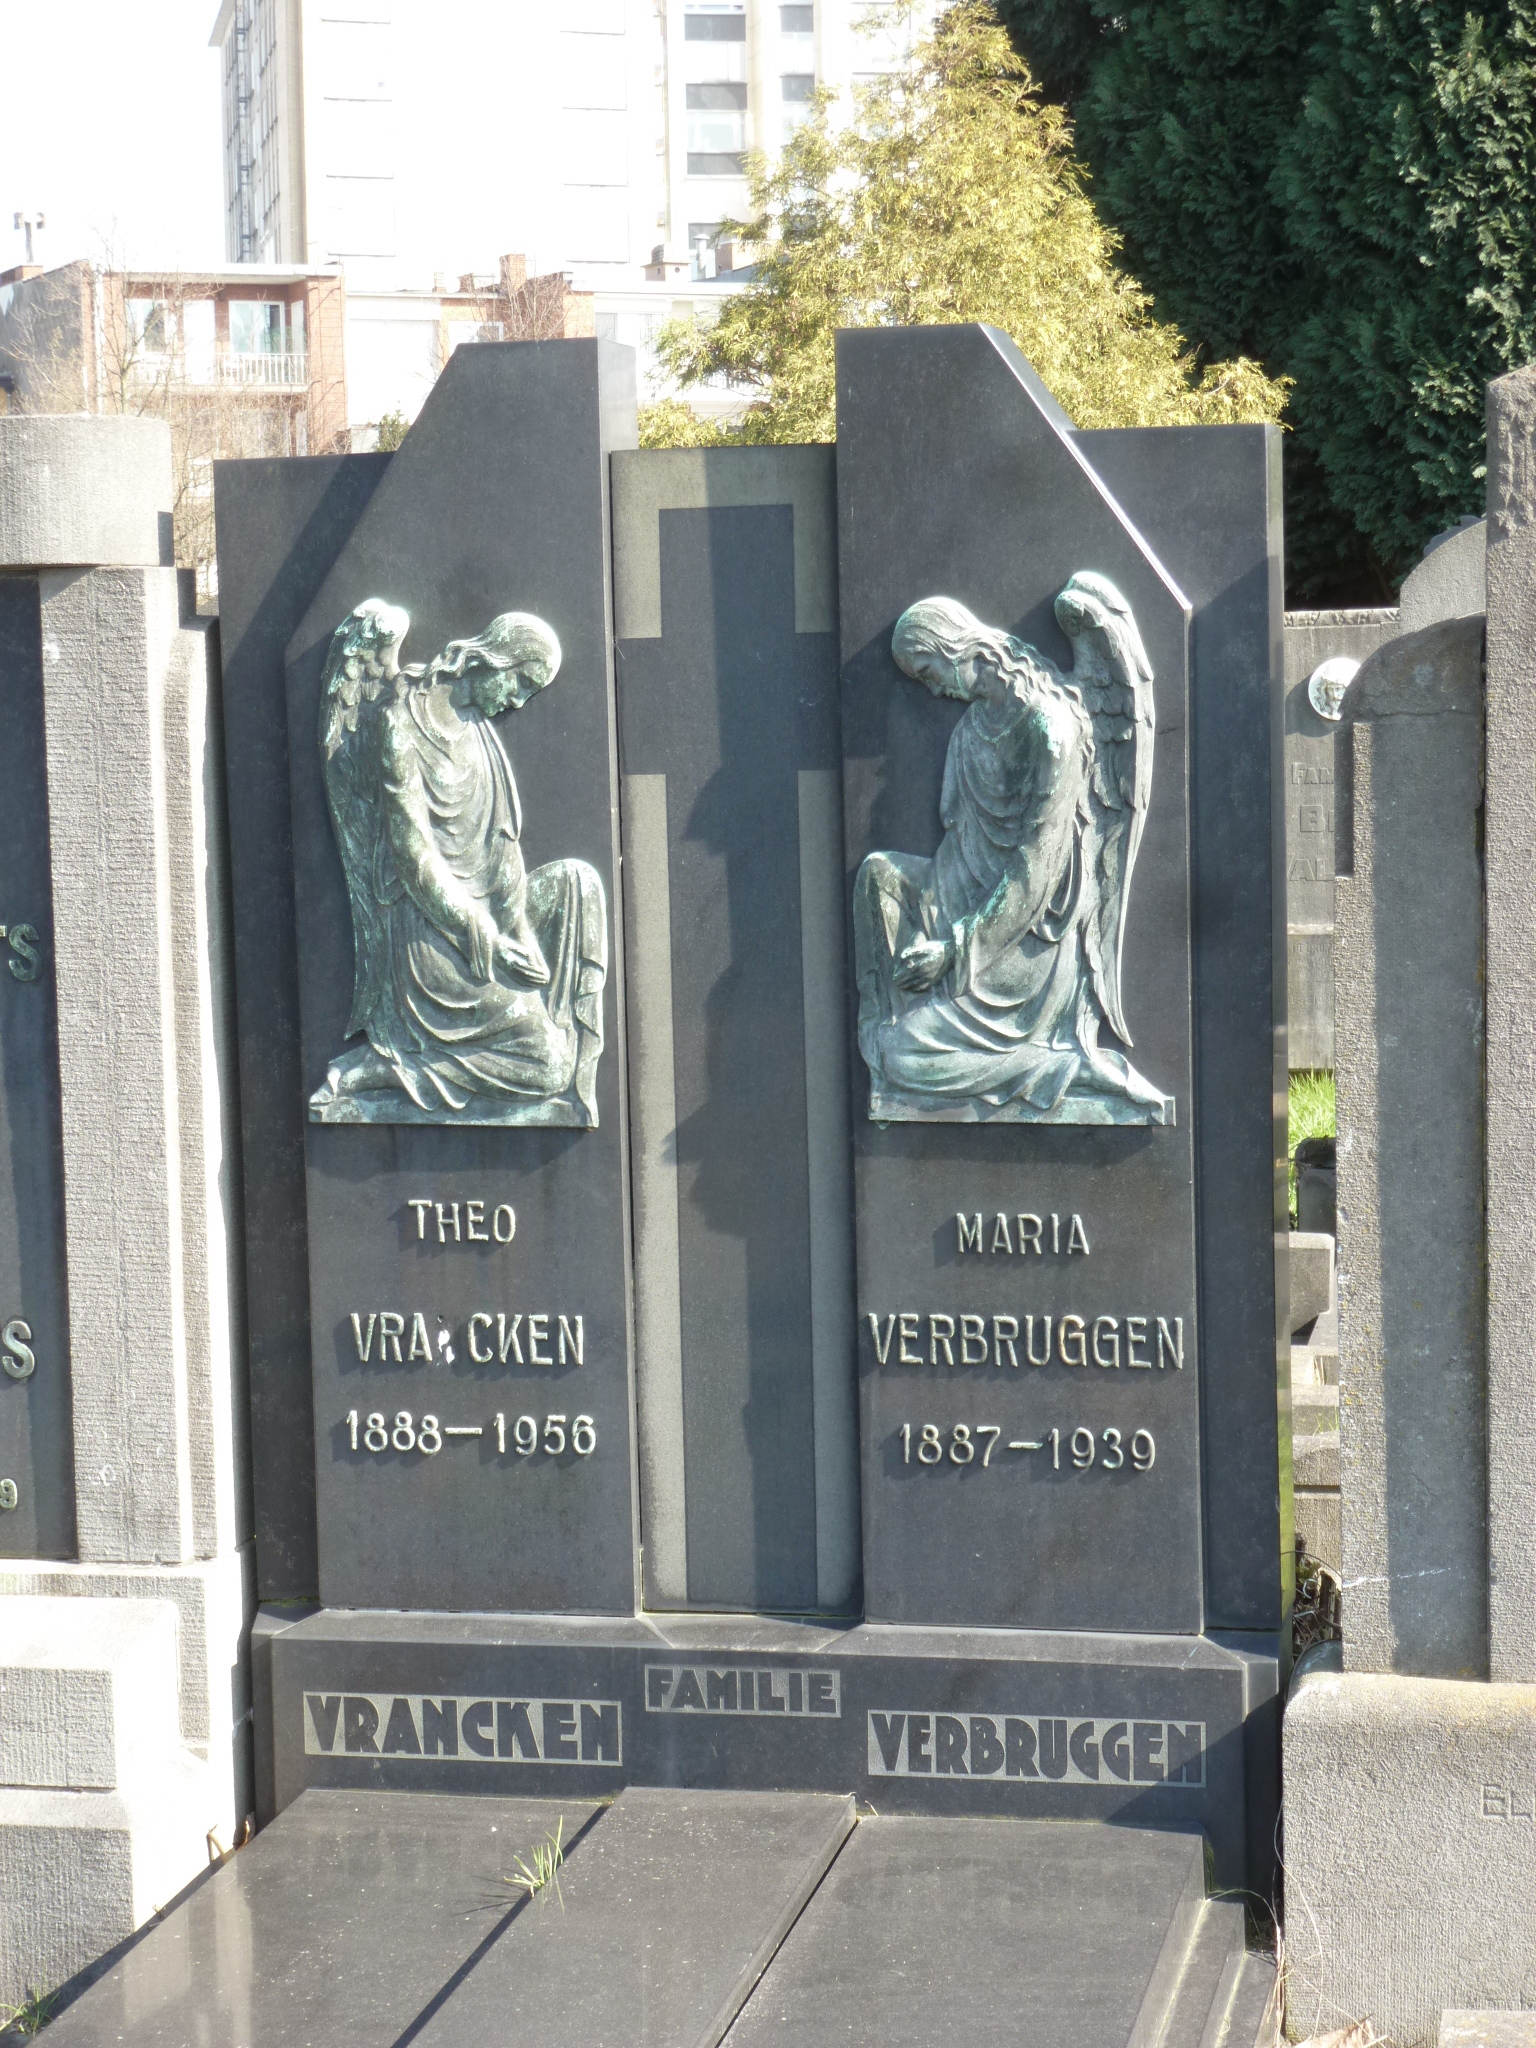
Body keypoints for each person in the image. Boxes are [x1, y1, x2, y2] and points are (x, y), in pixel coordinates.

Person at [853, 588, 1171, 1125]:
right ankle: (911, 1028)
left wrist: (950, 952)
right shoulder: (972, 728)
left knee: (900, 1054)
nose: (931, 688)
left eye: (928, 671)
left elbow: (1032, 871)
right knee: (877, 877)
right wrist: (931, 917)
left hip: (1025, 951)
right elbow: (963, 849)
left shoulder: (1052, 728)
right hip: (968, 906)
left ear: (955, 646)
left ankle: (1064, 1065)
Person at [310, 602, 606, 1125]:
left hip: (486, 923)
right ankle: (384, 1067)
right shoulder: (400, 719)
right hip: (431, 939)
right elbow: (413, 855)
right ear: (492, 659)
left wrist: (519, 937)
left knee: (579, 884)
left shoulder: (480, 732)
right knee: (550, 1066)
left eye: (530, 693)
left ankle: (446, 1051)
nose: (518, 701)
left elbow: (503, 854)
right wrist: (487, 937)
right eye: (520, 683)